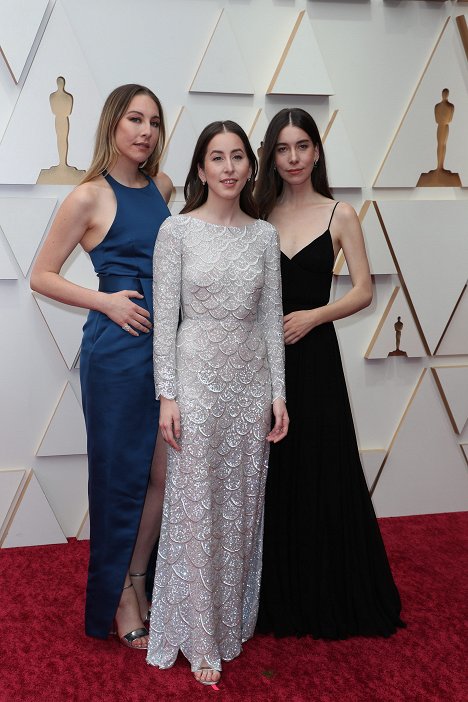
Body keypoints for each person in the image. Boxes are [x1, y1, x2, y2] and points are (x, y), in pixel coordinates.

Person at [146, 121, 289, 685]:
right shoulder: (176, 232)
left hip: (250, 384)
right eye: (216, 158)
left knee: (240, 508)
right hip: (197, 379)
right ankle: (199, 635)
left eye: (237, 157)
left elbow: (270, 321)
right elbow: (165, 323)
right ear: (201, 170)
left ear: (251, 166)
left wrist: (279, 393)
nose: (228, 167)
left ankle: (229, 622)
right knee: (196, 508)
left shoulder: (264, 237)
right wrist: (168, 394)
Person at [30, 84, 172, 648]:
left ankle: (136, 578)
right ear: (112, 123)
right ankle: (117, 599)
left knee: (161, 476)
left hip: (168, 348)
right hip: (116, 352)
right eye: (135, 119)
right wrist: (106, 300)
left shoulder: (163, 187)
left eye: (154, 122)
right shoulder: (88, 196)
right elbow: (42, 273)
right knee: (119, 479)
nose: (145, 131)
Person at [254, 108, 405, 639]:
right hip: (261, 359)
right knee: (269, 474)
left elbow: (364, 290)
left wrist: (315, 316)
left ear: (317, 151)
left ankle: (323, 591)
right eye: (282, 148)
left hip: (315, 359)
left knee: (321, 467)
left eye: (302, 146)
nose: (293, 158)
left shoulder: (341, 214)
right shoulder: (257, 212)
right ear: (270, 156)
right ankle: (266, 593)